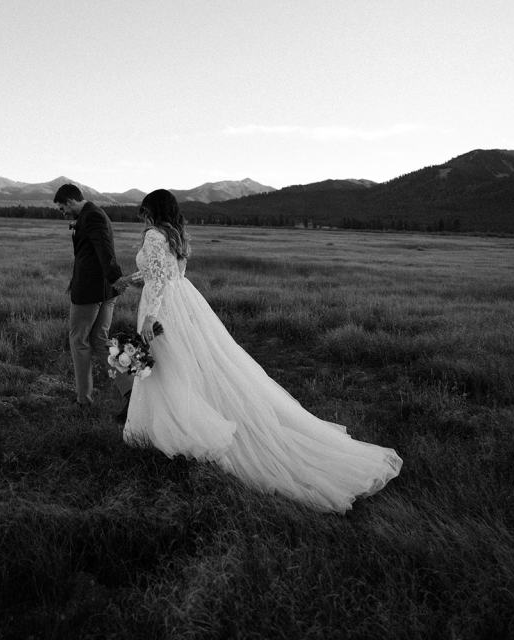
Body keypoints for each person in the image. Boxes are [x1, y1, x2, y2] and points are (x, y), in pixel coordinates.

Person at [123, 189, 402, 512]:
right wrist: (130, 280)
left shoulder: (155, 236)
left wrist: (151, 317)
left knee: (169, 368)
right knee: (186, 366)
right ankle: (173, 427)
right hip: (183, 303)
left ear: (153, 211)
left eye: (144, 211)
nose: (142, 218)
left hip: (165, 309)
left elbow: (159, 281)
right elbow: (170, 275)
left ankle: (180, 433)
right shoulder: (176, 236)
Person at [54, 183, 131, 412]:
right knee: (99, 340)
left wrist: (116, 277)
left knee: (78, 340)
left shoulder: (93, 217)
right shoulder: (91, 215)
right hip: (104, 291)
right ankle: (130, 388)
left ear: (70, 201)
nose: (62, 213)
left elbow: (104, 250)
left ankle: (83, 400)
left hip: (91, 292)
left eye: (61, 208)